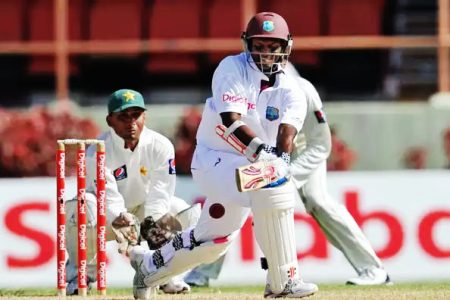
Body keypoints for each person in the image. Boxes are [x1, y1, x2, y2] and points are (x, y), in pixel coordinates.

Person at [129, 12, 319, 298]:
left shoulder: (292, 87)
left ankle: (149, 267)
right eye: (260, 45)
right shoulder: (231, 68)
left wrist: (281, 159)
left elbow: (287, 134)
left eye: (272, 46)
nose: (265, 53)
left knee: (214, 241)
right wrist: (266, 156)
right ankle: (283, 282)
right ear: (247, 43)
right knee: (272, 184)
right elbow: (231, 119)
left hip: (251, 165)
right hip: (214, 161)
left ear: (285, 47)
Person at [184, 62, 392, 287]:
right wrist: (267, 169)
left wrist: (286, 177)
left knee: (317, 200)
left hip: (301, 152)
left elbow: (320, 146)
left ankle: (374, 270)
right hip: (262, 152)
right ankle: (201, 274)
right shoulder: (245, 86)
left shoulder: (303, 91)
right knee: (235, 200)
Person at [64, 89, 200, 298]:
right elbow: (107, 197)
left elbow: (161, 191)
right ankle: (78, 275)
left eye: (136, 115)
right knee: (81, 205)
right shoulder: (96, 151)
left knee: (181, 210)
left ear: (145, 117)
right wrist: (122, 218)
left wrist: (151, 222)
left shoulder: (161, 145)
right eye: (123, 117)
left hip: (145, 209)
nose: (131, 122)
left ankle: (167, 275)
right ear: (110, 121)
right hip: (106, 217)